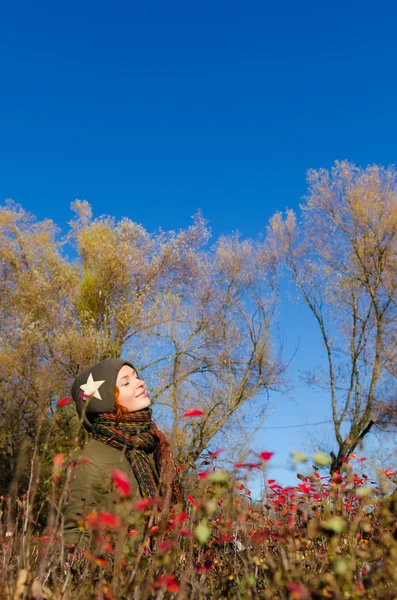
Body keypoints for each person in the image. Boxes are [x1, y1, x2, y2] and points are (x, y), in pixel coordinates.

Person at [63, 357, 182, 551]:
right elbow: (75, 533)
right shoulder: (90, 459)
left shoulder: (155, 446)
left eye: (137, 377)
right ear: (104, 400)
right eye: (126, 382)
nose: (140, 383)